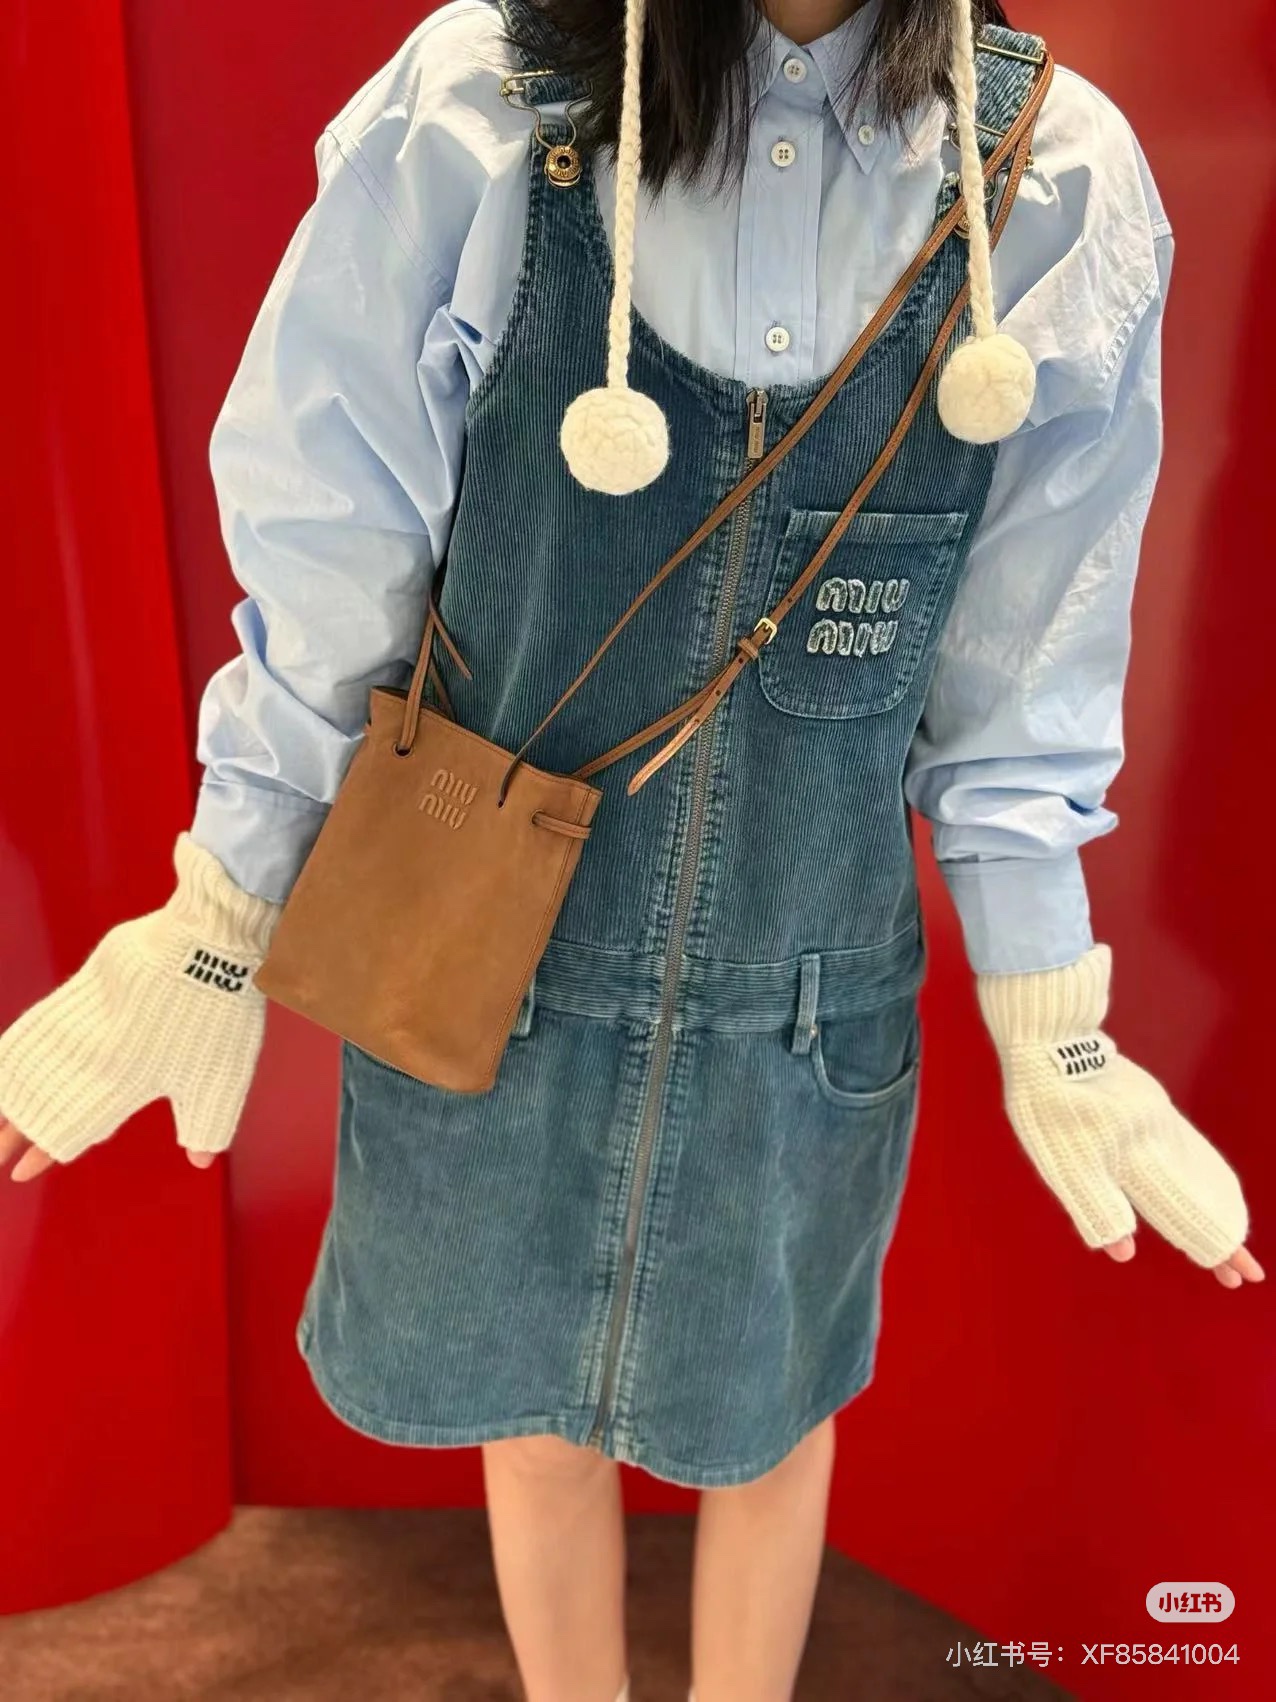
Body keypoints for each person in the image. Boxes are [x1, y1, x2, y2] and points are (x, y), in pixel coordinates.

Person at [0, 1, 1262, 1698]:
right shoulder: (479, 109)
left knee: (772, 1428)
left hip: (802, 1005)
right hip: (487, 977)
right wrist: (220, 908)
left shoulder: (1053, 185)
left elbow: (1025, 670)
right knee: (528, 1423)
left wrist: (1057, 1021)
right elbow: (332, 552)